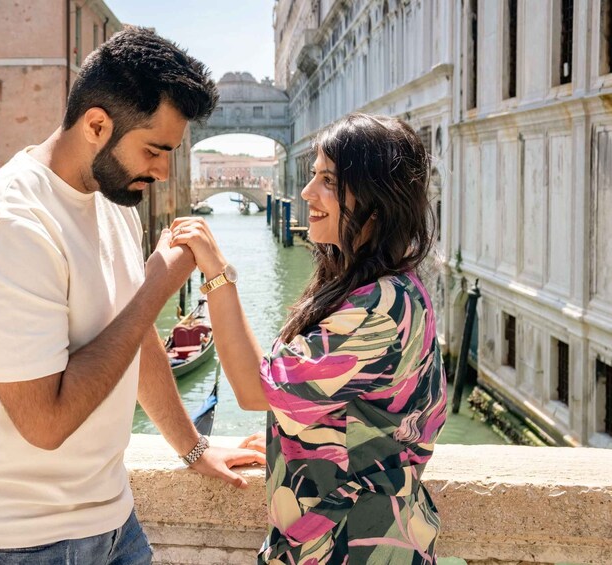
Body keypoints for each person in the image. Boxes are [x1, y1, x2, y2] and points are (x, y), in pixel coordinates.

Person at [0, 27, 263, 565]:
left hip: (112, 520)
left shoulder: (110, 202)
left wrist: (192, 446)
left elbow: (130, 336)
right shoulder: (9, 226)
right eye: (154, 150)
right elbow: (45, 424)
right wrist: (156, 286)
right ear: (97, 125)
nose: (163, 170)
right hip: (12, 542)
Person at [171, 113, 448, 564]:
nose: (306, 193)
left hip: (351, 546)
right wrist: (297, 439)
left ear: (375, 199)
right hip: (350, 535)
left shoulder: (376, 310)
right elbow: (368, 411)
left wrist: (219, 275)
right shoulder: (390, 287)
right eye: (312, 175)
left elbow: (253, 388)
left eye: (328, 180)